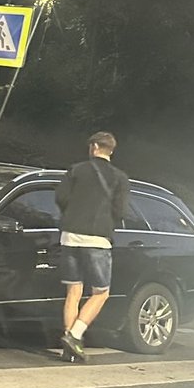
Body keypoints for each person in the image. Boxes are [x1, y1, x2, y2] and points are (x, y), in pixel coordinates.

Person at [54, 131, 130, 362]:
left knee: (73, 291)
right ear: (111, 150)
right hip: (98, 239)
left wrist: (74, 214)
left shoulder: (75, 170)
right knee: (101, 293)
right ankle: (75, 335)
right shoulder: (120, 178)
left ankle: (70, 345)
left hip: (69, 236)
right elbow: (121, 211)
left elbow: (60, 197)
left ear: (94, 147)